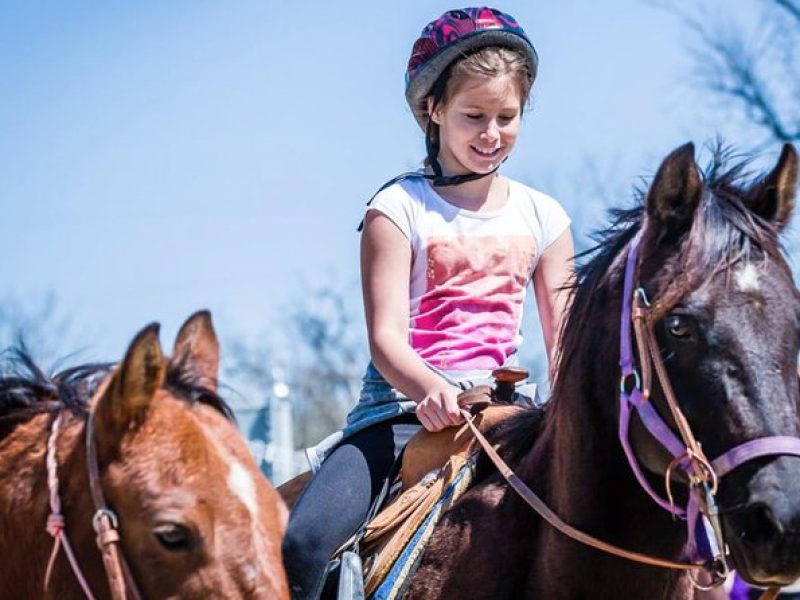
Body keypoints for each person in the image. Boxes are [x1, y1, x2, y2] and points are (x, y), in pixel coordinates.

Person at [281, 7, 574, 599]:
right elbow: (386, 339)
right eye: (473, 116)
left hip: (512, 411)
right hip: (401, 413)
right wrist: (430, 390)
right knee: (304, 543)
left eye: (507, 117)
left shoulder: (545, 216)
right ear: (434, 110)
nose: (491, 133)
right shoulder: (396, 209)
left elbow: (564, 340)